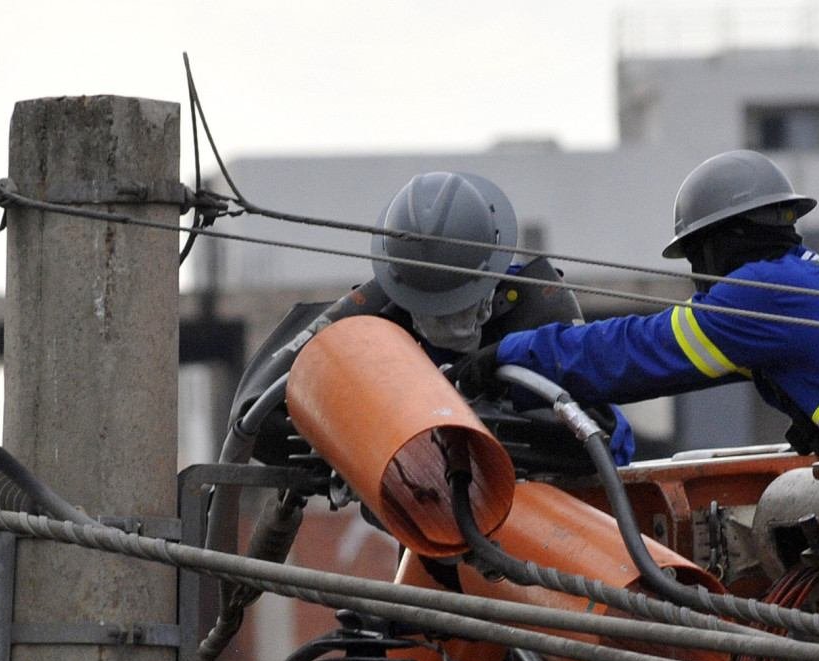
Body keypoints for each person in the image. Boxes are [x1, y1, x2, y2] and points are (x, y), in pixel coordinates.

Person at [480, 150, 819, 462]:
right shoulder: (814, 278)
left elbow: (632, 353)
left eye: (697, 255)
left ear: (719, 241)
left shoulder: (760, 295)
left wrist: (509, 356)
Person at [224, 169, 617, 463]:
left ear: (492, 273)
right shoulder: (377, 309)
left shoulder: (538, 304)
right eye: (437, 309)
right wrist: (365, 431)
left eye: (465, 302)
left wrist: (474, 421)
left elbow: (600, 432)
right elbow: (255, 414)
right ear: (403, 288)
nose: (455, 322)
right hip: (420, 522)